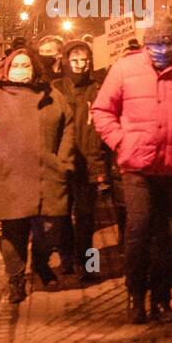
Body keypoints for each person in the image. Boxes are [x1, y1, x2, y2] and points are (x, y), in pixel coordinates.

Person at [92, 17, 172, 323]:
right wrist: (121, 142)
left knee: (169, 234)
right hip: (137, 167)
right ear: (146, 45)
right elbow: (102, 110)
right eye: (155, 45)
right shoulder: (125, 69)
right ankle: (136, 295)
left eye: (167, 45)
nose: (161, 51)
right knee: (138, 230)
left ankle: (162, 297)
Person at [0, 48, 74, 302]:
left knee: (51, 228)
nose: (21, 71)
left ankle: (40, 262)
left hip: (48, 174)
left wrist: (64, 160)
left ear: (35, 69)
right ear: (7, 68)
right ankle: (15, 278)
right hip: (8, 176)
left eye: (26, 66)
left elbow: (67, 126)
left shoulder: (52, 95)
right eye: (16, 65)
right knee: (13, 232)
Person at [51, 39, 109, 284]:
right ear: (66, 61)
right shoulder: (55, 88)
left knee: (86, 217)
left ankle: (87, 263)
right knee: (62, 214)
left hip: (89, 160)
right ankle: (66, 257)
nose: (80, 65)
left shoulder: (97, 88)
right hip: (62, 161)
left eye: (84, 60)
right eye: (74, 60)